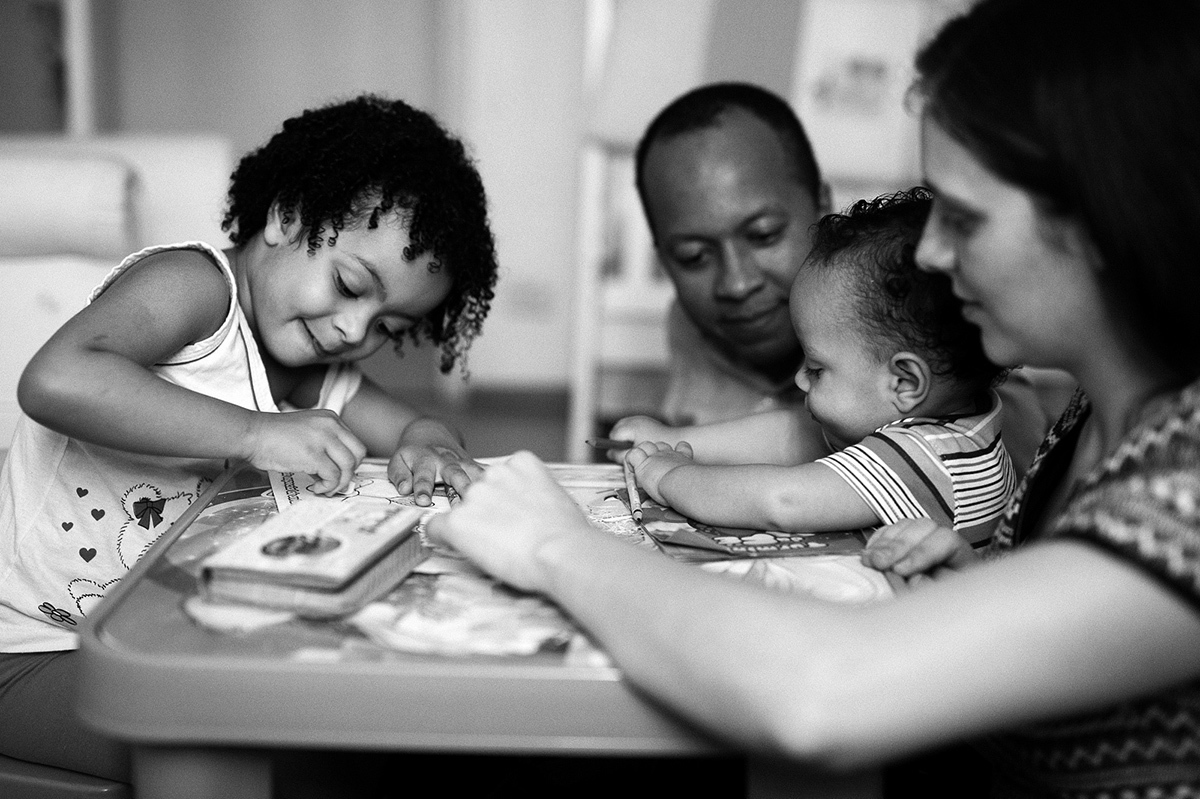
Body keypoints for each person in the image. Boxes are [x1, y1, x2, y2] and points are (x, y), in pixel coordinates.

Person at [428, 1, 1200, 796]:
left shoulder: (1183, 488)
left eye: (963, 218)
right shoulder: (1089, 418)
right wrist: (974, 586)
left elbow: (821, 690)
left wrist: (555, 544)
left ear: (1108, 214)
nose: (932, 253)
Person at [0, 94, 499, 783]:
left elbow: (414, 426)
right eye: (352, 284)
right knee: (229, 741)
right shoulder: (195, 287)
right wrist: (255, 434)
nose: (356, 332)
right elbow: (56, 379)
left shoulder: (310, 364)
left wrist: (430, 442)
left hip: (153, 637)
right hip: (31, 645)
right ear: (288, 216)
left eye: (388, 325)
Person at [612, 81, 1072, 473]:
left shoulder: (934, 322)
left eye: (764, 234)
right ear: (664, 259)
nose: (735, 284)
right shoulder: (693, 327)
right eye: (693, 257)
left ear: (821, 204)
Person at [632, 188, 1014, 545]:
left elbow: (781, 503)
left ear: (904, 381)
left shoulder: (923, 457)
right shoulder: (964, 422)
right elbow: (791, 434)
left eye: (816, 369)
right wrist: (671, 438)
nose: (799, 379)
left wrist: (667, 476)